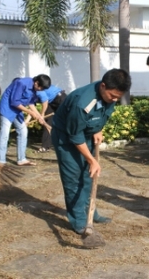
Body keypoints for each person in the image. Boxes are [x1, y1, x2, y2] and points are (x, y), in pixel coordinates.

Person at [51, 69, 132, 234]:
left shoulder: (109, 94)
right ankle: (79, 221)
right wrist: (91, 159)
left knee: (88, 176)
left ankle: (90, 211)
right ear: (103, 86)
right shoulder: (82, 103)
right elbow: (75, 135)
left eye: (118, 97)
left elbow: (102, 114)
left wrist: (98, 129)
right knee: (74, 178)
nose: (114, 100)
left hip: (85, 134)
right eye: (112, 96)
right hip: (67, 138)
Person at [0, 75, 48, 166]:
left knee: (23, 130)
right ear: (36, 83)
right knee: (4, 134)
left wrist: (39, 116)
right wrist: (30, 112)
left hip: (17, 110)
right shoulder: (22, 83)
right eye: (41, 87)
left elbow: (31, 103)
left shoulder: (34, 88)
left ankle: (22, 159)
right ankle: (1, 161)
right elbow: (14, 102)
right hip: (7, 108)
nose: (40, 90)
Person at [27, 77, 67, 153]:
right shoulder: (30, 93)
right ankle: (45, 146)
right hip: (51, 102)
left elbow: (44, 104)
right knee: (48, 122)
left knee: (67, 121)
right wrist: (27, 121)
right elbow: (32, 108)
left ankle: (70, 144)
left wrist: (41, 115)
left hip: (60, 99)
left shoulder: (39, 90)